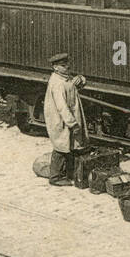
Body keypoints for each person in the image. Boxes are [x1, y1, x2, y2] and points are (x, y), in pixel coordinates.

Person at [43, 52, 87, 187]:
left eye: (67, 64)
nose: (67, 67)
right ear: (55, 67)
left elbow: (73, 85)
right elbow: (62, 107)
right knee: (61, 147)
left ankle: (68, 173)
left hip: (66, 119)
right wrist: (72, 123)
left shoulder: (64, 78)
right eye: (63, 65)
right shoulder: (57, 83)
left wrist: (81, 79)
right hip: (61, 120)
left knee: (68, 146)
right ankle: (55, 177)